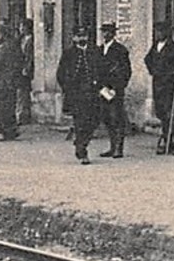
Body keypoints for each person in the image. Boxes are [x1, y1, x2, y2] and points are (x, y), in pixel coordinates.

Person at [144, 21, 174, 155]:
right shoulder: (155, 46)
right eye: (156, 31)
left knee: (171, 114)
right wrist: (153, 71)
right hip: (158, 84)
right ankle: (167, 141)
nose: (157, 34)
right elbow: (147, 59)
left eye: (160, 31)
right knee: (161, 114)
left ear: (166, 32)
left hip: (171, 85)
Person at [56, 27, 99, 163]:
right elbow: (60, 74)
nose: (82, 38)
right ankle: (82, 149)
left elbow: (101, 69)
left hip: (92, 93)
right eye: (79, 36)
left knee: (93, 121)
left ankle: (81, 141)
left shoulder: (95, 51)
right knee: (80, 121)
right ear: (74, 38)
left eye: (84, 35)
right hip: (76, 94)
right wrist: (67, 88)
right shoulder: (68, 54)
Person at [97, 23, 132, 158]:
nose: (105, 34)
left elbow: (126, 71)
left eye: (108, 32)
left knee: (116, 118)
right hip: (103, 89)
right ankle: (112, 146)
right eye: (104, 32)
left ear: (113, 34)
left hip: (115, 89)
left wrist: (118, 87)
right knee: (106, 118)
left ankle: (119, 148)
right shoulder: (99, 49)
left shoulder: (120, 50)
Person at [0, 19, 23, 141]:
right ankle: (12, 129)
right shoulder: (15, 46)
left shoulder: (3, 48)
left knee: (3, 107)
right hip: (13, 81)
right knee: (11, 106)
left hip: (3, 82)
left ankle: (6, 131)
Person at [17, 17, 36, 125]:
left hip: (25, 70)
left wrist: (26, 69)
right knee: (21, 93)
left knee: (23, 93)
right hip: (20, 68)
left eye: (22, 26)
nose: (20, 28)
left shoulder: (30, 40)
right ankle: (22, 115)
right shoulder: (22, 39)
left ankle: (23, 116)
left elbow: (29, 56)